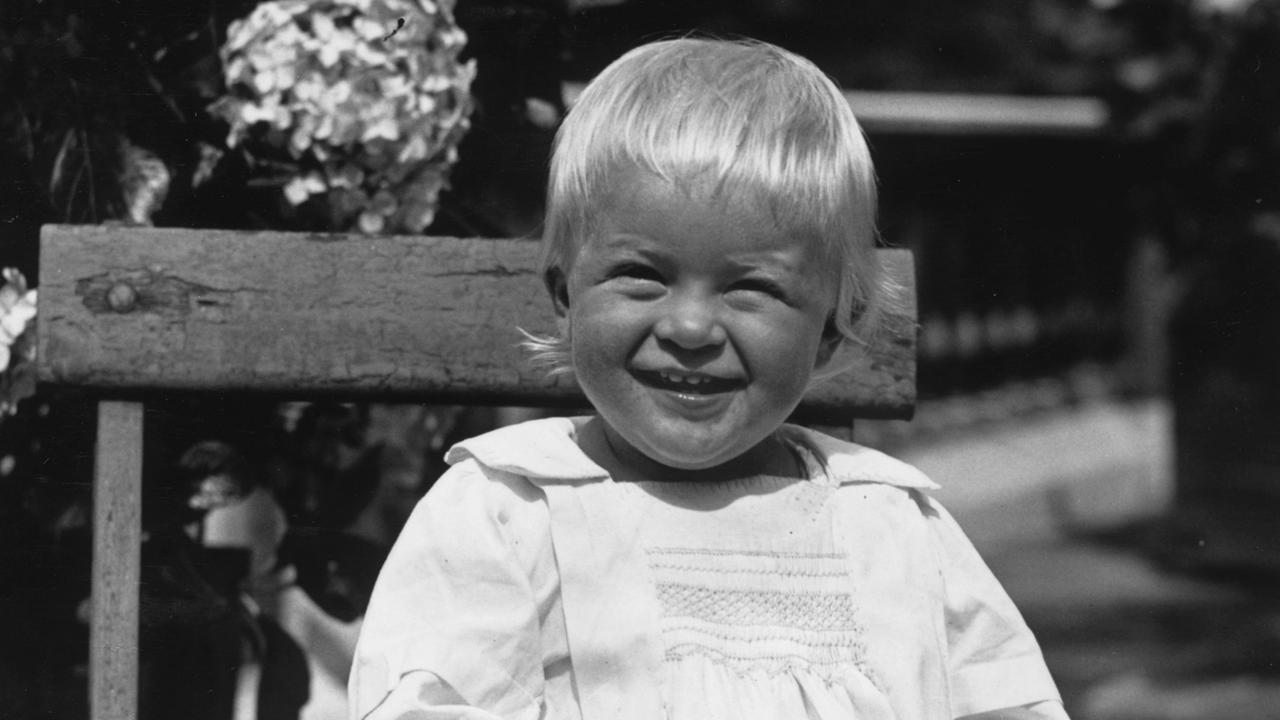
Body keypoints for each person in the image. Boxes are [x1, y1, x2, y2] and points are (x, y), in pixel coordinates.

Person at [349, 37, 1069, 720]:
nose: (690, 328)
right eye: (642, 276)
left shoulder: (891, 524)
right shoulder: (510, 511)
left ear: (828, 328)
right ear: (566, 297)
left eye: (750, 288)